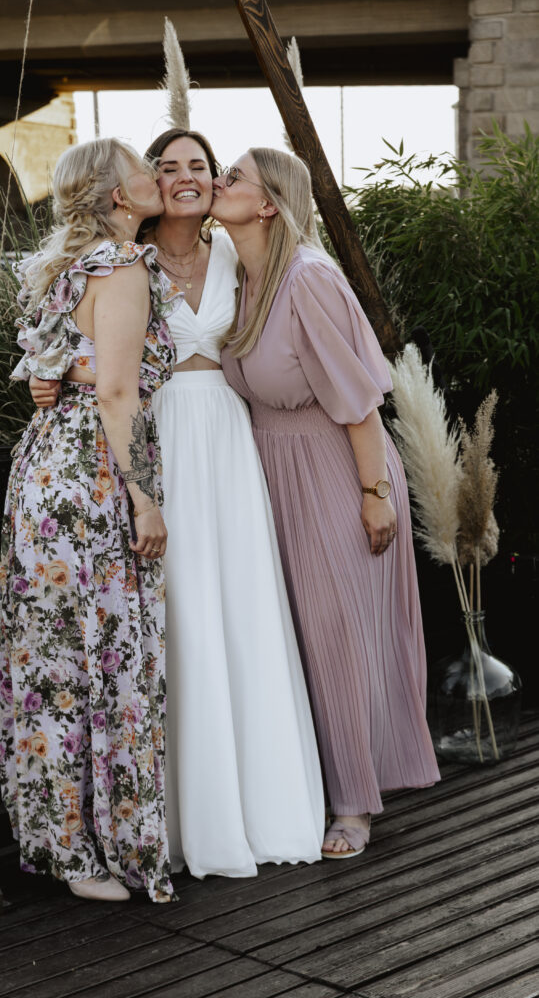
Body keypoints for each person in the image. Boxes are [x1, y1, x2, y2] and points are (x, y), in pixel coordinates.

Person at [32, 129, 325, 879]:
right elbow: (68, 338)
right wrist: (45, 374)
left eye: (200, 165)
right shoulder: (125, 257)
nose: (186, 177)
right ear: (146, 186)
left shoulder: (238, 255)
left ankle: (262, 805)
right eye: (167, 167)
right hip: (154, 437)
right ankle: (176, 818)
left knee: (241, 606)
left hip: (228, 442)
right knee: (173, 612)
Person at [213, 148, 441, 859]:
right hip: (272, 472)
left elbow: (360, 404)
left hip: (336, 468)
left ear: (268, 204)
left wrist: (374, 496)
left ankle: (353, 805)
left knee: (339, 634)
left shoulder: (307, 278)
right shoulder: (241, 277)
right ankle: (318, 785)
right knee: (299, 636)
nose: (217, 181)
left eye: (232, 177)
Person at [0, 138, 182, 903]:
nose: (157, 178)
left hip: (42, 473)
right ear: (116, 195)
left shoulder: (68, 267)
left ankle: (65, 845)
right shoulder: (124, 266)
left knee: (54, 662)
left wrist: (57, 375)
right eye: (144, 170)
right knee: (103, 657)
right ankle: (96, 851)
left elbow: (59, 365)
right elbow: (116, 392)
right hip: (92, 480)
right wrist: (144, 496)